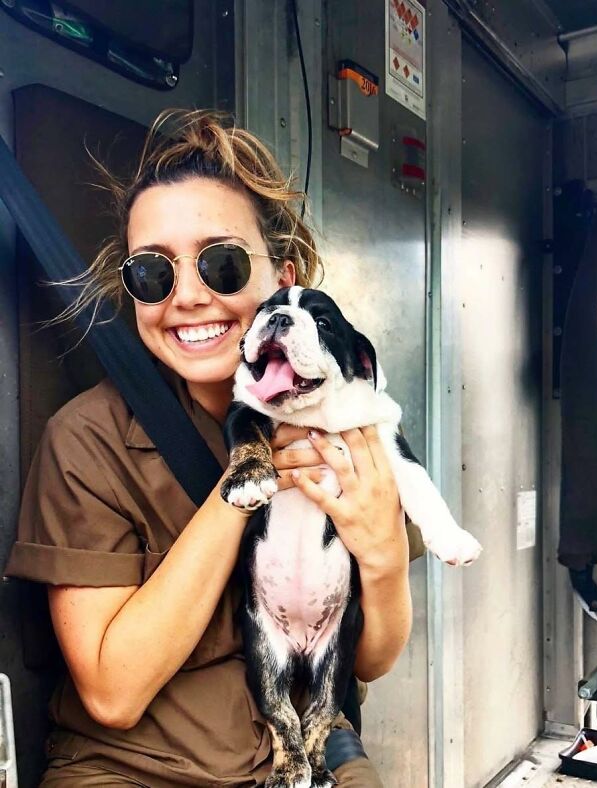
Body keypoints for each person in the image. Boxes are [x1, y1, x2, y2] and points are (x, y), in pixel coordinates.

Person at [4, 109, 424, 787]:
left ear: (284, 278)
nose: (190, 297)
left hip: (303, 755)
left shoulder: (347, 425)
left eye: (222, 264)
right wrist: (246, 484)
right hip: (136, 771)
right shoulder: (88, 441)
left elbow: (368, 661)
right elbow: (113, 693)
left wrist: (381, 560)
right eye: (153, 274)